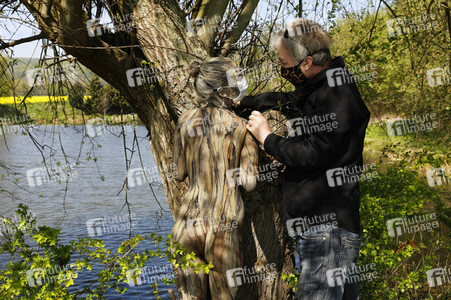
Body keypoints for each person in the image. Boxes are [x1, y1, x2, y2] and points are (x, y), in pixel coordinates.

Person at [235, 19, 371, 299]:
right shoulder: (325, 84)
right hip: (327, 230)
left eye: (285, 64)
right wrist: (249, 102)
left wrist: (266, 138)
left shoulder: (334, 94)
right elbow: (292, 100)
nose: (282, 69)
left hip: (327, 230)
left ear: (306, 62)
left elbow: (312, 154)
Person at [171, 57, 259, 300]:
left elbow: (178, 174)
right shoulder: (241, 126)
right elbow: (250, 183)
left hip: (187, 222)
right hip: (224, 225)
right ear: (225, 88)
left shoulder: (184, 120)